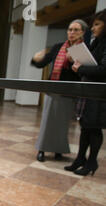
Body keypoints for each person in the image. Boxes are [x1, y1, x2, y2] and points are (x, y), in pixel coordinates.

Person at [31, 19, 88, 162]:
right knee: (47, 121)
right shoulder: (58, 47)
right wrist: (35, 59)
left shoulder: (84, 50)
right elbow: (42, 63)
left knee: (62, 125)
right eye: (70, 29)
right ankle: (42, 149)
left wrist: (73, 61)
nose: (72, 33)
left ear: (83, 32)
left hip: (69, 92)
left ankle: (58, 151)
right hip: (53, 89)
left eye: (76, 30)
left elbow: (85, 73)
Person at [66, 10, 106, 176]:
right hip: (89, 89)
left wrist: (81, 68)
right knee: (85, 126)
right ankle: (80, 159)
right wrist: (77, 66)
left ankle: (92, 162)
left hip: (99, 93)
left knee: (94, 128)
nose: (93, 27)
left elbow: (104, 70)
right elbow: (90, 67)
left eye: (97, 24)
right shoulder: (97, 42)